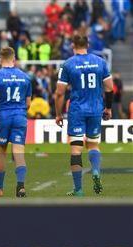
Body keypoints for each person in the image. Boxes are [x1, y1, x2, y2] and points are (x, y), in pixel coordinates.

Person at [54, 34, 114, 196]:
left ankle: (78, 189)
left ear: (73, 45)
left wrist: (58, 114)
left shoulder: (68, 64)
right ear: (87, 44)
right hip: (95, 109)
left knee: (76, 149)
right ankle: (95, 170)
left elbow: (59, 93)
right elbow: (109, 87)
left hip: (77, 110)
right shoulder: (100, 61)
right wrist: (108, 108)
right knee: (93, 145)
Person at [0, 47, 32, 198]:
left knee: (1, 154)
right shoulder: (25, 77)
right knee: (19, 153)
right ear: (14, 59)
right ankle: (21, 186)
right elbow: (28, 103)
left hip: (3, 118)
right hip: (19, 117)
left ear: (0, 59)